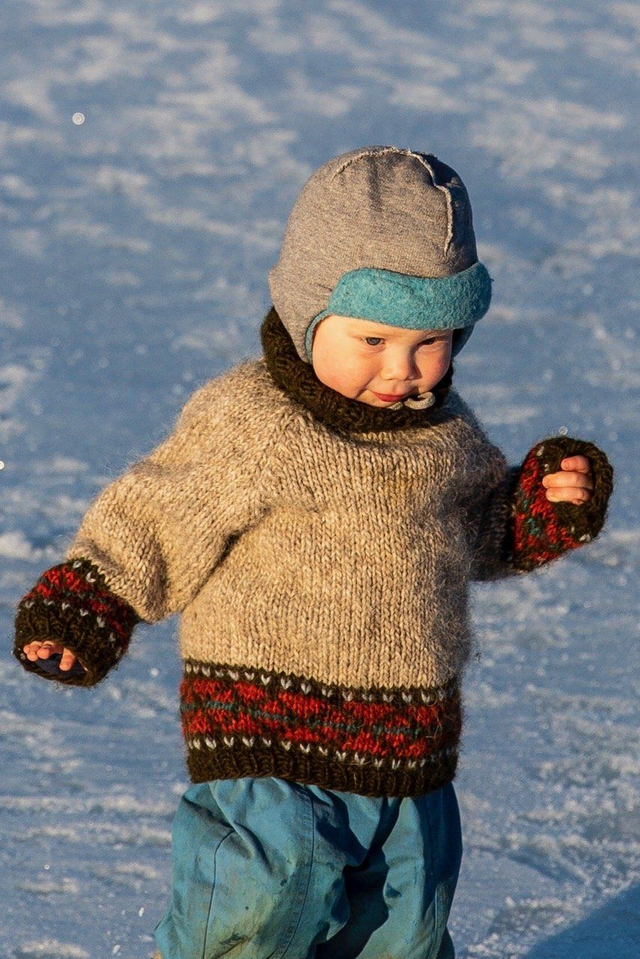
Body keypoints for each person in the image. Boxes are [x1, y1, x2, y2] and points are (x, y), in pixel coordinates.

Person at [14, 146, 614, 959]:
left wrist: (539, 506)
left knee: (405, 926)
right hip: (266, 740)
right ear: (310, 311)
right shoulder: (255, 422)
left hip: (410, 753)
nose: (401, 370)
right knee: (262, 903)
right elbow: (158, 514)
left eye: (430, 340)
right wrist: (92, 602)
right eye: (372, 337)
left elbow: (476, 534)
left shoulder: (445, 437)